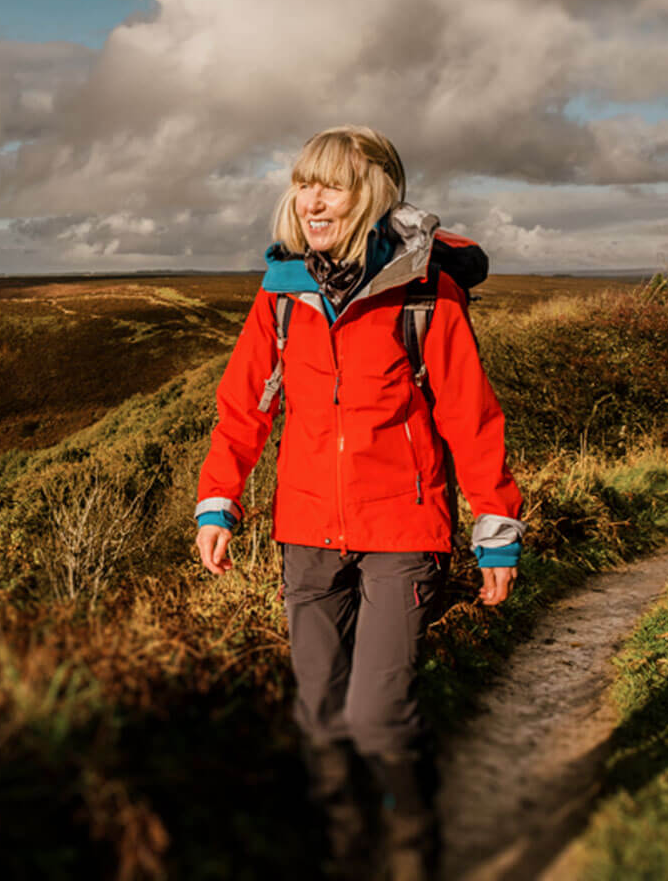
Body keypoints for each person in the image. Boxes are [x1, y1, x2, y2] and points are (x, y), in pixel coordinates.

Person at [194, 125, 522, 881]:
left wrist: (495, 534)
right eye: (305, 182)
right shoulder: (282, 295)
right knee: (319, 718)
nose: (312, 198)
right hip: (306, 532)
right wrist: (219, 500)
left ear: (372, 193)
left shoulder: (426, 296)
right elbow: (244, 406)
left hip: (403, 531)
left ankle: (411, 855)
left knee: (375, 717)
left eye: (332, 184)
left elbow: (470, 419)